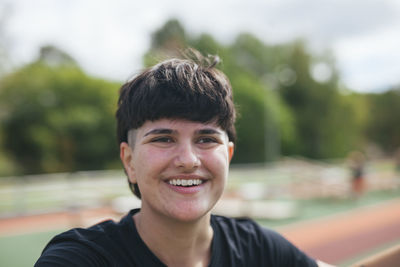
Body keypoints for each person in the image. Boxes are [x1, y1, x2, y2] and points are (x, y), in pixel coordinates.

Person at [35, 49, 333, 266]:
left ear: (228, 156)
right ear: (129, 161)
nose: (188, 159)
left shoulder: (258, 249)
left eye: (206, 139)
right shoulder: (82, 259)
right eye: (164, 139)